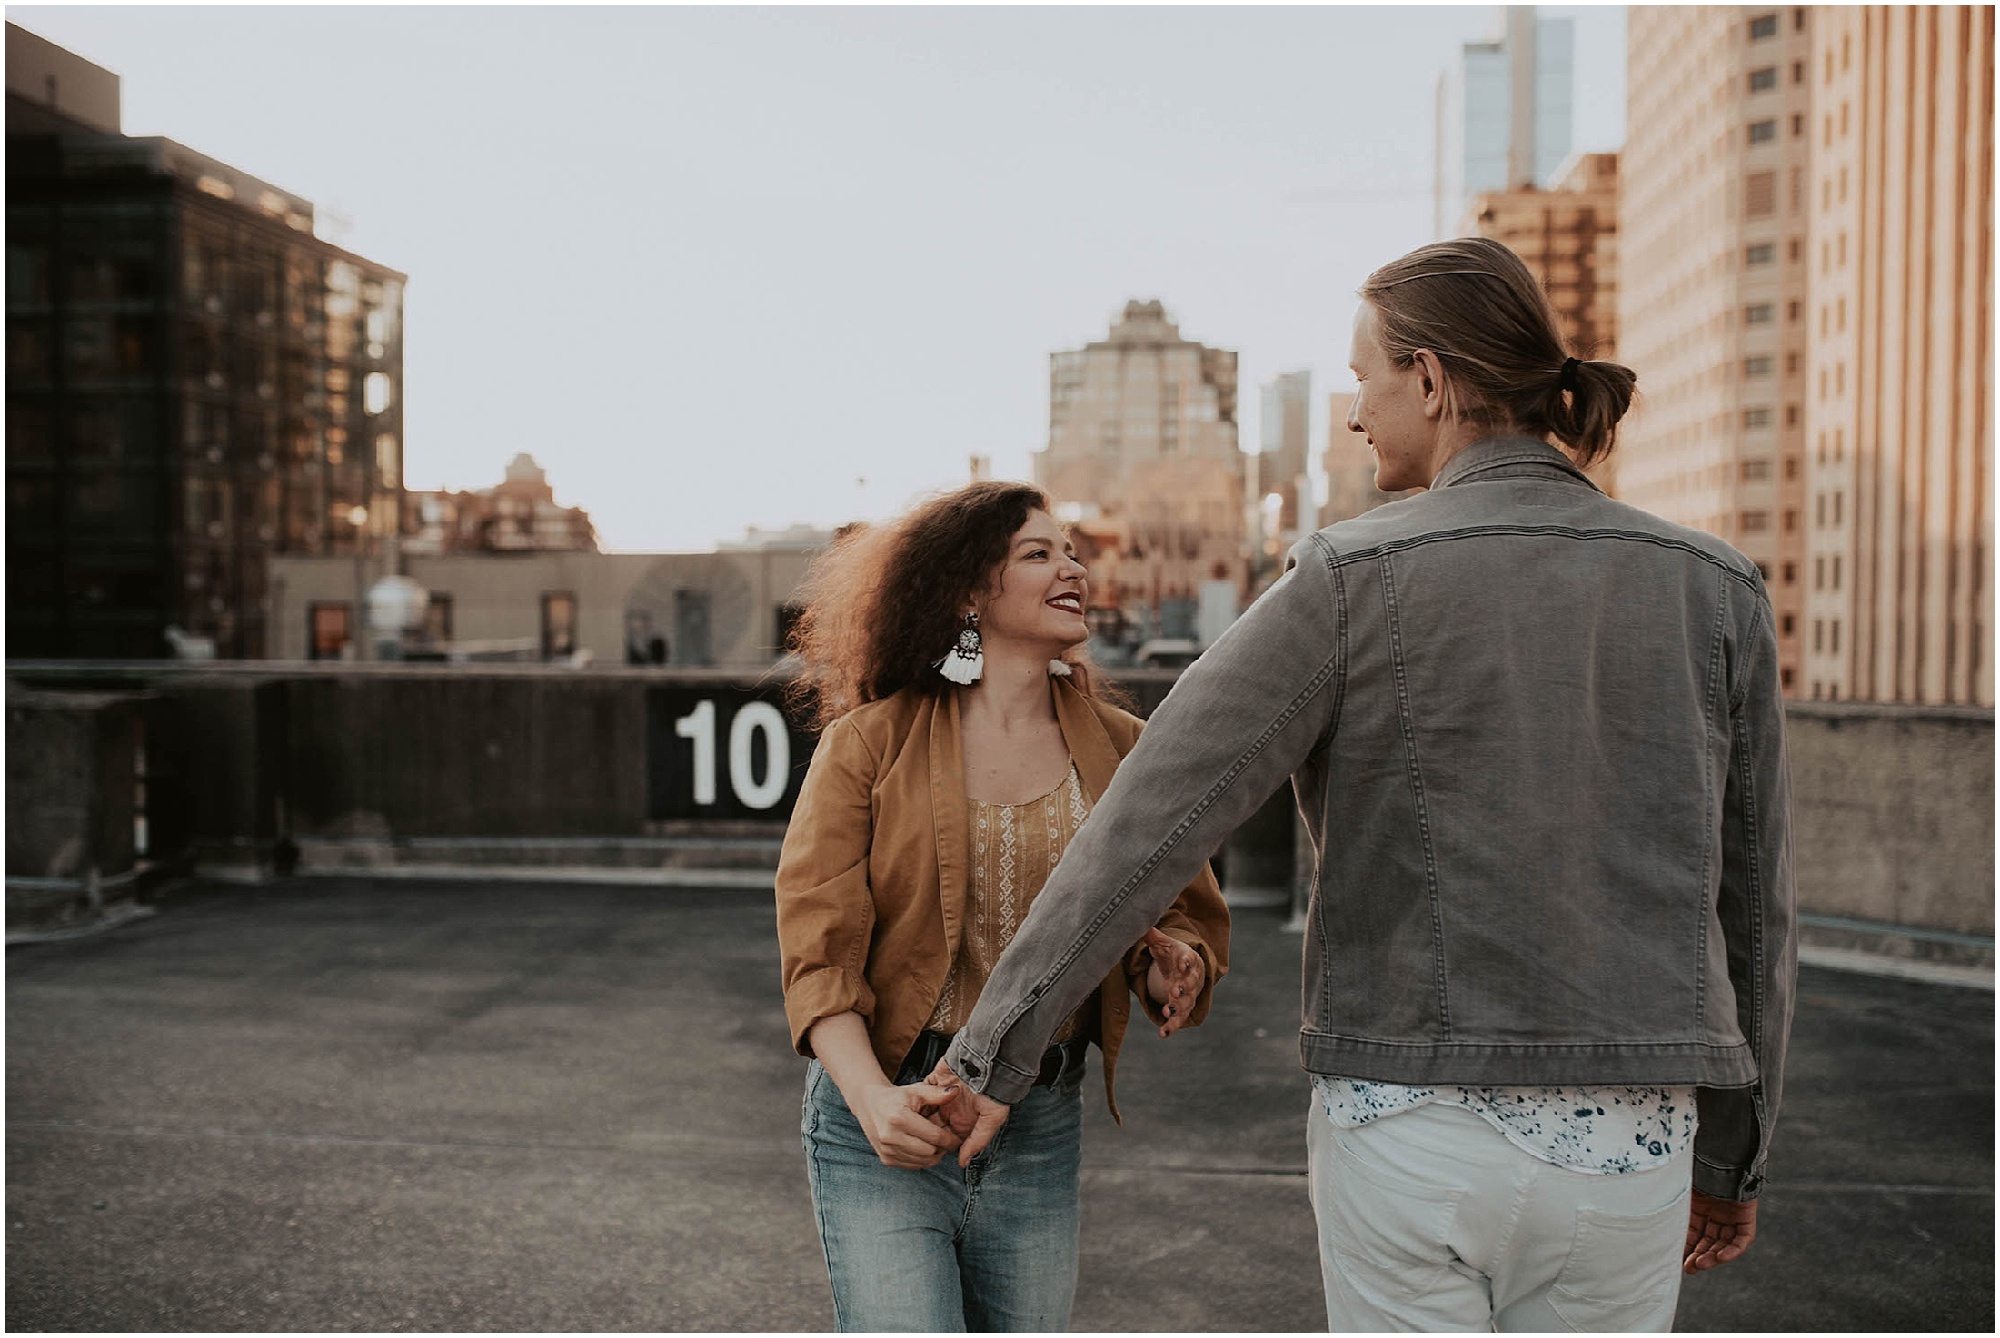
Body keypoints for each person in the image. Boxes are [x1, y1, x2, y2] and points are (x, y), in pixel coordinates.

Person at [931, 237, 1797, 1332]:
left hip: (1408, 1130)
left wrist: (992, 1053)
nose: (1353, 414)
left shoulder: (1346, 575)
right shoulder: (1713, 586)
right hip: (1629, 1145)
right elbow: (1754, 910)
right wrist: (1736, 1149)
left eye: (1362, 382)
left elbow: (1147, 821)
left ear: (1428, 382)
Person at [774, 481, 1231, 1333]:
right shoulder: (870, 743)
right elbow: (817, 953)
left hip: (1037, 1122)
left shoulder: (1127, 750)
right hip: (886, 1115)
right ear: (967, 593)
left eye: (1070, 550)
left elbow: (1187, 913)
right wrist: (873, 1103)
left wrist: (1175, 964)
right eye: (1039, 554)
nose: (1074, 568)